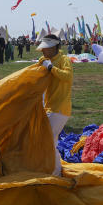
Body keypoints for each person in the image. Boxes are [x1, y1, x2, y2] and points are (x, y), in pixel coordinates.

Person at [36, 34, 74, 176]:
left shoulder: (64, 60)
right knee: (49, 140)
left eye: (45, 49)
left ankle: (55, 173)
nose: (43, 52)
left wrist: (51, 67)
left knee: (49, 141)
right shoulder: (46, 60)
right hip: (50, 106)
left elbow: (67, 76)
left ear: (53, 47)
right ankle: (52, 170)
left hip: (60, 108)